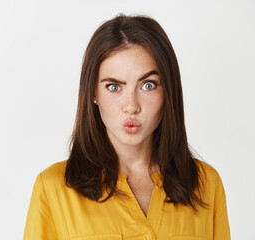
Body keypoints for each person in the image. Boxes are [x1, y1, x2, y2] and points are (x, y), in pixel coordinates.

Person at [23, 14, 230, 240]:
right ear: (93, 93)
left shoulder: (206, 185)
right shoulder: (53, 189)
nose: (131, 106)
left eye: (148, 85)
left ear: (168, 90)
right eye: (114, 87)